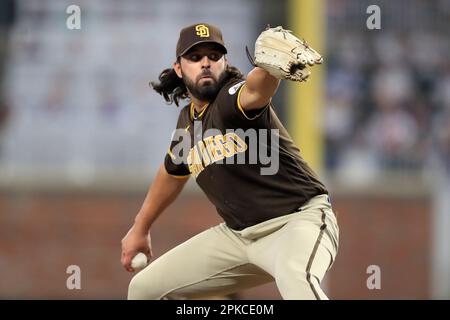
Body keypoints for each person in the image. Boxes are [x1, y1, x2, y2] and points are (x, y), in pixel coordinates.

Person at [121, 23, 339, 300]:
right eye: (195, 57)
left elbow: (257, 89)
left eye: (214, 56)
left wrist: (269, 70)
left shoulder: (231, 98)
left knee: (298, 281)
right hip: (237, 237)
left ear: (225, 62)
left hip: (297, 223)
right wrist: (140, 228)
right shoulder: (187, 123)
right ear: (178, 68)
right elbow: (171, 173)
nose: (206, 63)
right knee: (143, 290)